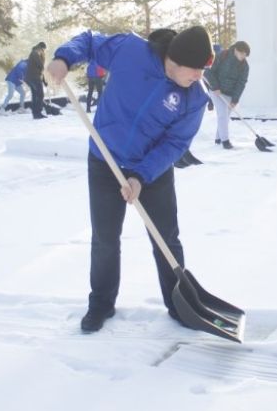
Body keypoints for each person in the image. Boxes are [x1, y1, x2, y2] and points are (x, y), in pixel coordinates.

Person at [45, 25, 214, 333]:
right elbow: (89, 41)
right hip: (104, 160)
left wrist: (140, 176)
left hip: (151, 168)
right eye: (195, 70)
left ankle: (179, 304)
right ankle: (101, 303)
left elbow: (176, 144)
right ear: (174, 61)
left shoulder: (194, 97)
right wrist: (63, 59)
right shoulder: (131, 50)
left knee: (165, 237)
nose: (198, 77)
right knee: (105, 239)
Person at [203, 40, 251, 149]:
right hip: (216, 91)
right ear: (236, 50)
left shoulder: (244, 66)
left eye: (245, 55)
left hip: (230, 94)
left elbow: (241, 83)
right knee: (222, 115)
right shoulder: (222, 55)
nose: (243, 57)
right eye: (242, 54)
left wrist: (235, 100)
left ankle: (218, 139)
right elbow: (209, 72)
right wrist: (215, 87)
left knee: (225, 117)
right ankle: (225, 141)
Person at [25, 42, 47, 119]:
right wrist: (43, 61)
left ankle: (35, 114)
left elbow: (40, 69)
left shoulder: (34, 53)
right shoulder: (35, 53)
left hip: (30, 78)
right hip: (34, 77)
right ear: (41, 48)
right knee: (40, 95)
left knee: (35, 95)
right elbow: (40, 66)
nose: (44, 51)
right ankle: (38, 113)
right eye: (43, 49)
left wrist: (44, 81)